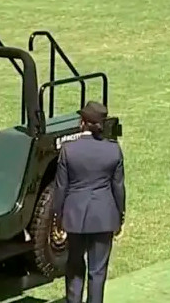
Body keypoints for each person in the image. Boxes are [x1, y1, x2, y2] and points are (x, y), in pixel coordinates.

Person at [53, 101, 126, 303]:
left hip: (75, 217)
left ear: (82, 122)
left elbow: (61, 188)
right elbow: (118, 188)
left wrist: (58, 217)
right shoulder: (113, 151)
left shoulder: (69, 150)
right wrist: (120, 216)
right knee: (98, 270)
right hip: (104, 216)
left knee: (75, 266)